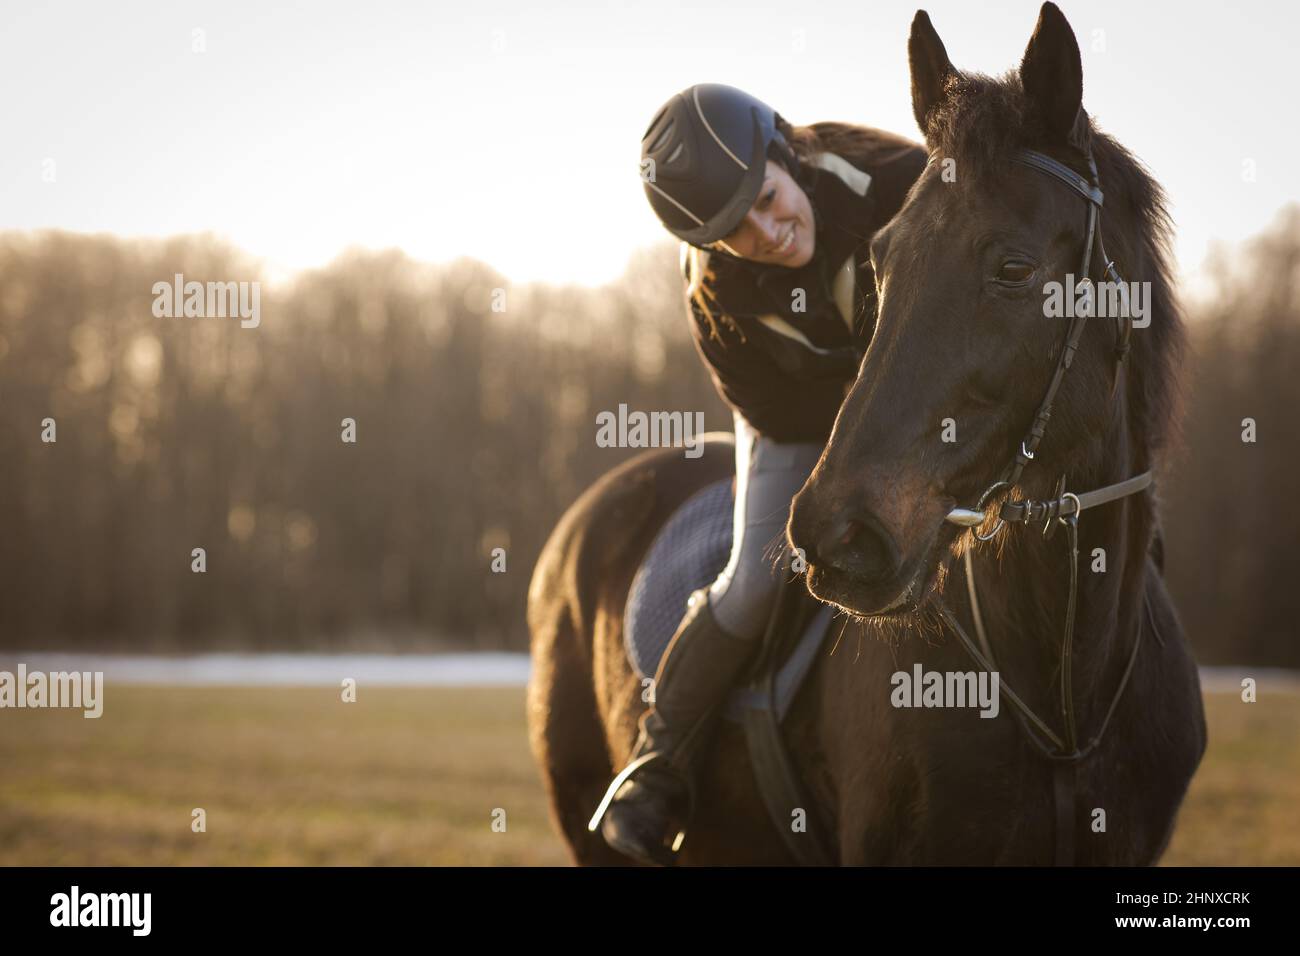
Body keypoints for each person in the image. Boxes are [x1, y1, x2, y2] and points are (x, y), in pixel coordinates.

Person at [591, 83, 926, 865]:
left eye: (769, 200)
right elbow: (780, 410)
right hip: (801, 421)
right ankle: (658, 765)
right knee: (753, 578)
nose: (770, 232)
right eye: (738, 231)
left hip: (919, 400)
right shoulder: (716, 294)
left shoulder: (895, 177)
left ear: (788, 152)